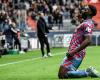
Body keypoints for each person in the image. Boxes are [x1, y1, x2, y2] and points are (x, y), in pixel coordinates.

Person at [58, 4, 100, 79]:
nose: (83, 10)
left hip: (76, 53)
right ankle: (86, 72)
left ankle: (87, 72)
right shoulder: (85, 22)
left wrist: (74, 52)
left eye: (86, 9)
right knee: (61, 74)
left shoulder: (88, 24)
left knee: (63, 74)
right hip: (75, 52)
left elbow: (88, 40)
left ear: (90, 12)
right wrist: (80, 18)